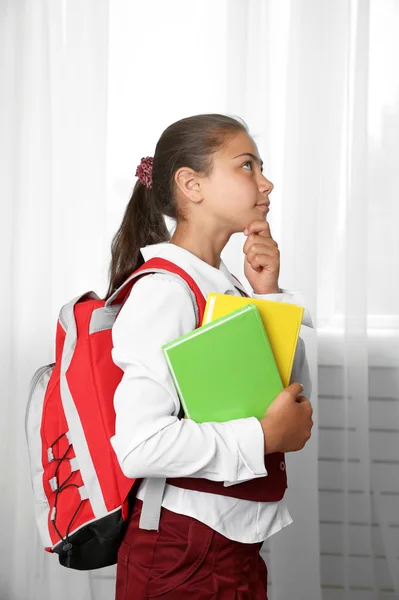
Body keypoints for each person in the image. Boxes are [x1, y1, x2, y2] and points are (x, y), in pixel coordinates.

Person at [105, 113, 314, 599]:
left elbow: (284, 392)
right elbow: (139, 447)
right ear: (190, 184)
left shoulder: (224, 286)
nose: (267, 182)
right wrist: (262, 436)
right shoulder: (165, 292)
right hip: (182, 555)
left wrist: (268, 295)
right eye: (247, 166)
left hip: (233, 548)